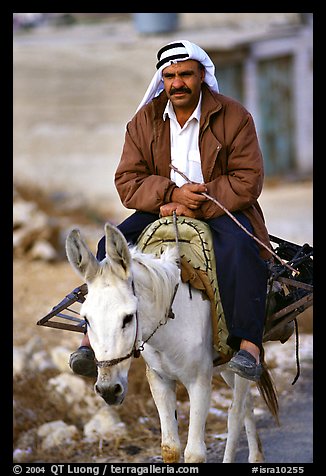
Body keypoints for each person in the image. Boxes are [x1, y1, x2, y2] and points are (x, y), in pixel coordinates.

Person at [69, 40, 272, 382]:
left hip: (221, 207)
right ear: (162, 79)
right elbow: (127, 181)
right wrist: (171, 194)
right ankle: (90, 339)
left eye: (185, 75)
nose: (178, 83)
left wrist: (198, 203)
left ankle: (249, 346)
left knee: (240, 251)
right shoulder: (143, 121)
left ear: (202, 77)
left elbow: (248, 179)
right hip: (162, 208)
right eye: (170, 75)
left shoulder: (234, 117)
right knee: (107, 250)